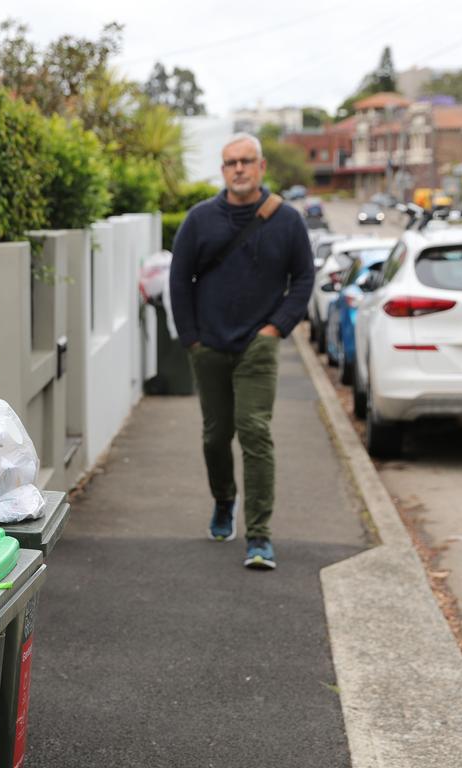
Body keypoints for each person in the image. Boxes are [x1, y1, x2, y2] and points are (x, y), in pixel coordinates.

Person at [168, 133, 313, 570]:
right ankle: (224, 500)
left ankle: (260, 537)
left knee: (254, 433)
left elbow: (304, 279)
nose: (238, 169)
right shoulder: (200, 219)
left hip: (258, 347)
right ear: (223, 168)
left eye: (246, 161)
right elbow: (178, 280)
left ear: (261, 167)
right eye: (230, 162)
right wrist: (192, 338)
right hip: (209, 345)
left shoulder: (286, 221)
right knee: (216, 436)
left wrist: (275, 329)